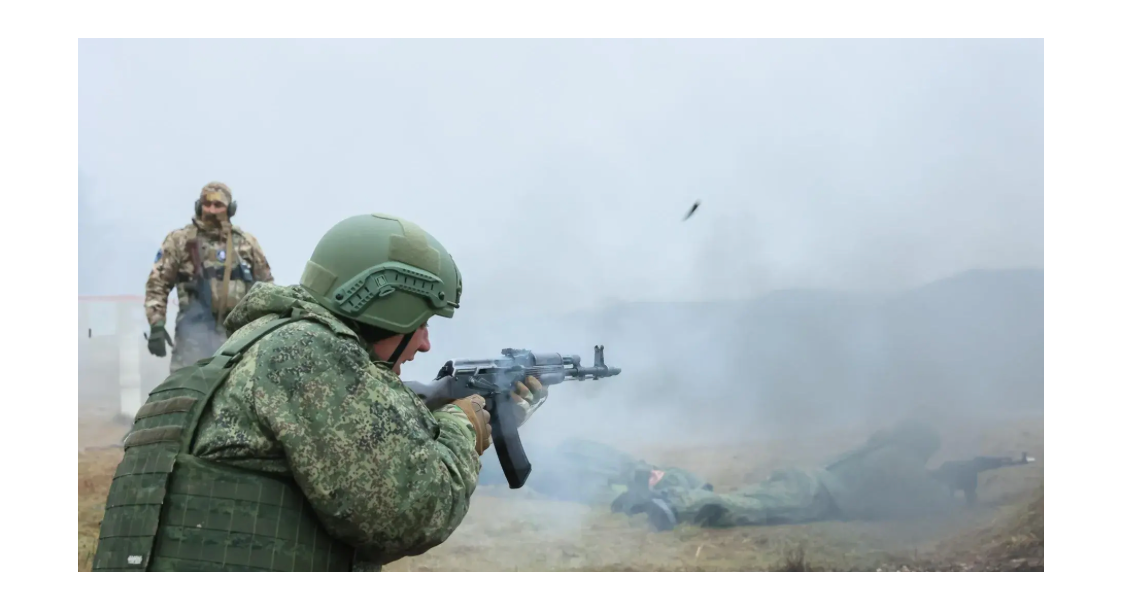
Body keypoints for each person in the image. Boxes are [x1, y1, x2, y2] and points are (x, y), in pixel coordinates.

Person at [92, 213, 548, 572]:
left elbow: (367, 442)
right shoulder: (306, 355)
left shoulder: (264, 345)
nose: (426, 342)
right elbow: (411, 512)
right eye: (421, 322)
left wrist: (491, 415)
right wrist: (463, 425)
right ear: (388, 307)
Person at [616, 420, 1008, 531]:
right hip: (814, 493)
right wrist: (955, 485)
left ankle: (660, 487)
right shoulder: (900, 461)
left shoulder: (881, 449)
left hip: (806, 480)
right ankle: (673, 506)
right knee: (742, 506)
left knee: (745, 498)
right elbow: (930, 504)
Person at [144, 181, 274, 372]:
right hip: (192, 339)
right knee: (184, 395)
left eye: (218, 205)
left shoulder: (246, 245)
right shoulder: (180, 241)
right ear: (199, 206)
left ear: (230, 209)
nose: (211, 210)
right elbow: (157, 284)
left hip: (238, 340)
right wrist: (157, 324)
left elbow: (268, 289)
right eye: (207, 204)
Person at [477, 437, 712, 506]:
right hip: (544, 459)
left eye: (656, 479)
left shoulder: (619, 489)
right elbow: (575, 446)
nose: (653, 475)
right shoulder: (624, 465)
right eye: (656, 473)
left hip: (543, 470)